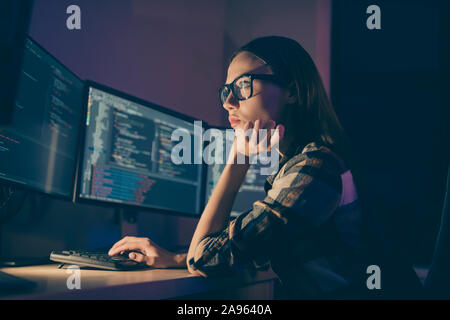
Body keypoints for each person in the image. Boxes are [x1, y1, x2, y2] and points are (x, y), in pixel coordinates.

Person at [107, 36, 420, 299]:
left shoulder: (315, 169)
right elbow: (250, 252)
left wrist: (238, 161)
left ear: (294, 90)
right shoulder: (303, 163)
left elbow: (202, 260)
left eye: (243, 85)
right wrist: (177, 259)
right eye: (225, 90)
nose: (228, 102)